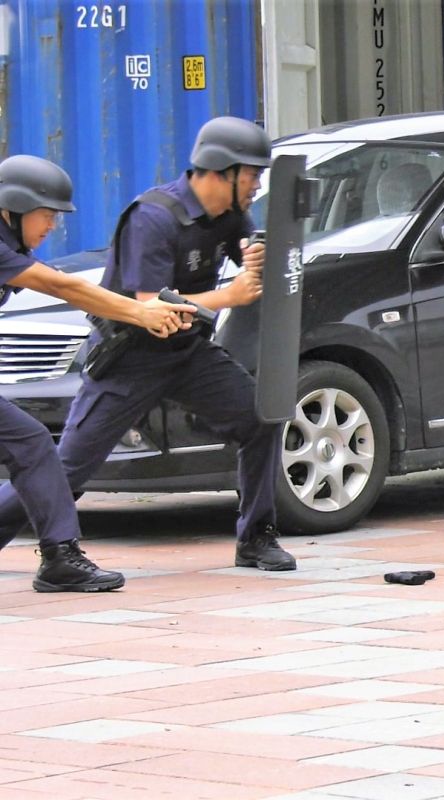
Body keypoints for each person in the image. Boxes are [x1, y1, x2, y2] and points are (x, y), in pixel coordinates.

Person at [0, 117, 297, 581]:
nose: (257, 185)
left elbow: (255, 274)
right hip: (130, 357)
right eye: (253, 175)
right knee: (64, 470)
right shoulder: (154, 216)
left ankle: (257, 536)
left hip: (187, 353)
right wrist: (228, 296)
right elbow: (141, 305)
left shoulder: (230, 216)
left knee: (260, 418)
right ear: (224, 170)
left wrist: (263, 259)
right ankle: (50, 552)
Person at [0, 154, 194, 592]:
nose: (52, 226)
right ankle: (60, 557)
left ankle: (60, 557)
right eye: (46, 215)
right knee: (30, 443)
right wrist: (141, 312)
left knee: (31, 444)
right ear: (13, 207)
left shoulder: (10, 249)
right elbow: (62, 286)